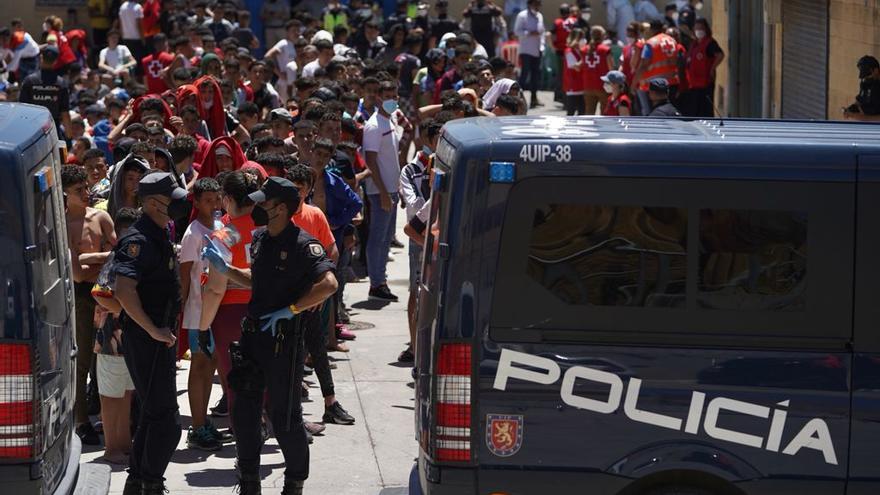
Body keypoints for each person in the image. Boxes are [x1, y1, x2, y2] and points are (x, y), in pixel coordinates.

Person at [201, 177, 338, 495]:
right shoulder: (261, 237)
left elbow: (329, 283)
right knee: (245, 413)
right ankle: (249, 481)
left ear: (281, 208)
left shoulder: (303, 244)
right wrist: (227, 269)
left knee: (285, 417)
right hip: (253, 338)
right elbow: (256, 279)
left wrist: (292, 309)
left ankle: (294, 484)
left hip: (284, 343)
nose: (258, 207)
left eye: (264, 202)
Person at [112, 172, 190, 495]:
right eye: (170, 199)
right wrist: (153, 330)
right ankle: (151, 484)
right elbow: (123, 290)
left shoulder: (158, 232)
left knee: (152, 413)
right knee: (167, 423)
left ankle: (138, 482)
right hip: (146, 339)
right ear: (153, 204)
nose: (176, 205)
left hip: (159, 338)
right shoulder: (138, 240)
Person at [62, 165, 117, 446]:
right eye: (78, 190)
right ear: (65, 194)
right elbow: (77, 274)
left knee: (108, 357)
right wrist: (97, 262)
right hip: (82, 298)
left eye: (86, 187)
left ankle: (108, 414)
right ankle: (82, 420)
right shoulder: (62, 224)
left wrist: (89, 257)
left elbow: (118, 254)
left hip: (107, 293)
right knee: (83, 359)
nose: (86, 193)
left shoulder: (101, 217)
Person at [179, 177, 229, 451]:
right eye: (207, 200)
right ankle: (197, 426)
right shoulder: (192, 234)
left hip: (218, 309)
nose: (213, 205)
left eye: (216, 199)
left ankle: (204, 419)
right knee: (199, 366)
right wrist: (183, 313)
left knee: (211, 365)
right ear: (196, 202)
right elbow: (185, 276)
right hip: (198, 312)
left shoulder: (223, 227)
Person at [92, 207, 139, 465]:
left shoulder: (131, 257)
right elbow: (99, 293)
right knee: (111, 397)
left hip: (128, 340)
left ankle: (124, 444)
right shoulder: (117, 257)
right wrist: (127, 310)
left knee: (126, 394)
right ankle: (112, 448)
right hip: (110, 340)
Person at [363, 81, 405, 302]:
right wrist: (382, 192)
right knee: (378, 239)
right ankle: (376, 283)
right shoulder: (373, 126)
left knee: (386, 237)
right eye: (387, 95)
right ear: (378, 97)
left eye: (394, 95)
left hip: (391, 189)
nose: (392, 99)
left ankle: (381, 280)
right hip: (380, 192)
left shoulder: (392, 118)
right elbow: (371, 161)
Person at [19, 46, 71, 140]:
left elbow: (22, 110)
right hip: (52, 132)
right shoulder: (61, 83)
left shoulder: (29, 81)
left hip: (31, 132)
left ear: (41, 57)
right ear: (56, 61)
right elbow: (65, 114)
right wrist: (69, 138)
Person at [680, 17, 723, 117]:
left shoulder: (710, 43)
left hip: (705, 84)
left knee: (705, 111)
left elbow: (720, 55)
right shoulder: (694, 44)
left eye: (701, 28)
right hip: (693, 84)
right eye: (696, 29)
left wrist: (712, 68)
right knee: (694, 112)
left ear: (706, 29)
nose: (699, 31)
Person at [635, 19, 680, 115]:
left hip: (654, 86)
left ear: (651, 29)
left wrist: (634, 83)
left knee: (654, 115)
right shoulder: (672, 41)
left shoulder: (650, 43)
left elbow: (643, 65)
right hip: (672, 83)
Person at [514, 0, 546, 109]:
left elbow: (542, 32)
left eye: (539, 4)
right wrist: (529, 33)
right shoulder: (522, 16)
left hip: (537, 50)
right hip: (526, 50)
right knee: (524, 75)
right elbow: (517, 31)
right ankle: (518, 99)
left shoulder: (540, 16)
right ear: (529, 4)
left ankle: (534, 98)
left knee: (535, 76)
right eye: (535, 4)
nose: (537, 6)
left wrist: (542, 46)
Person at [582, 25, 613, 115]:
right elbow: (611, 68)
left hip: (587, 84)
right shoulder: (605, 49)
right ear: (602, 36)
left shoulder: (584, 50)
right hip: (603, 85)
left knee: (589, 113)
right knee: (604, 113)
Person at [844, 55, 880, 122]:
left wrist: (862, 118)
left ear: (876, 70)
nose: (866, 79)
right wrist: (850, 109)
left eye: (868, 76)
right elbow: (860, 100)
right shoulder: (866, 83)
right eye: (864, 77)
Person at [562, 28, 585, 115]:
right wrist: (585, 59)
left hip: (581, 86)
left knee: (582, 113)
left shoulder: (580, 51)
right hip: (573, 87)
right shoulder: (569, 51)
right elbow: (576, 67)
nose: (584, 40)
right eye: (581, 38)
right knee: (571, 113)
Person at [118, 0, 145, 66]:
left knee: (129, 61)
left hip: (126, 38)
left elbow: (120, 23)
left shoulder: (122, 7)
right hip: (137, 38)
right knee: (138, 61)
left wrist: (122, 36)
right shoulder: (137, 7)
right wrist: (143, 39)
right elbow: (139, 25)